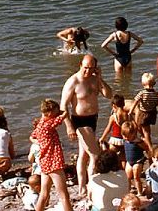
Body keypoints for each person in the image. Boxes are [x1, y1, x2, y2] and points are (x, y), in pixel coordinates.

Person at [61, 53, 113, 195]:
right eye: (85, 68)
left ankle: (82, 187)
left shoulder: (95, 80)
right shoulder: (73, 81)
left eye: (91, 68)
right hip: (79, 121)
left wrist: (100, 78)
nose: (87, 71)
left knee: (83, 155)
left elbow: (109, 95)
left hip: (93, 119)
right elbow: (63, 106)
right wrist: (69, 126)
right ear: (80, 65)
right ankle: (92, 186)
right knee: (95, 155)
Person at [31, 99, 72, 211]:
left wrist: (38, 142)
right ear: (49, 113)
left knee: (44, 194)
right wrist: (63, 109)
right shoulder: (48, 125)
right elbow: (64, 115)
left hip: (44, 162)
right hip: (54, 162)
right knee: (64, 196)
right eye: (55, 112)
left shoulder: (40, 125)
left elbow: (32, 136)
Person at [131, 72, 158, 150]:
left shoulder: (142, 93)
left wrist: (130, 111)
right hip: (152, 114)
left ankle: (149, 146)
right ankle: (147, 140)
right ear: (154, 83)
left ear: (143, 83)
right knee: (146, 129)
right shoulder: (156, 94)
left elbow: (135, 102)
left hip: (143, 113)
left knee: (144, 130)